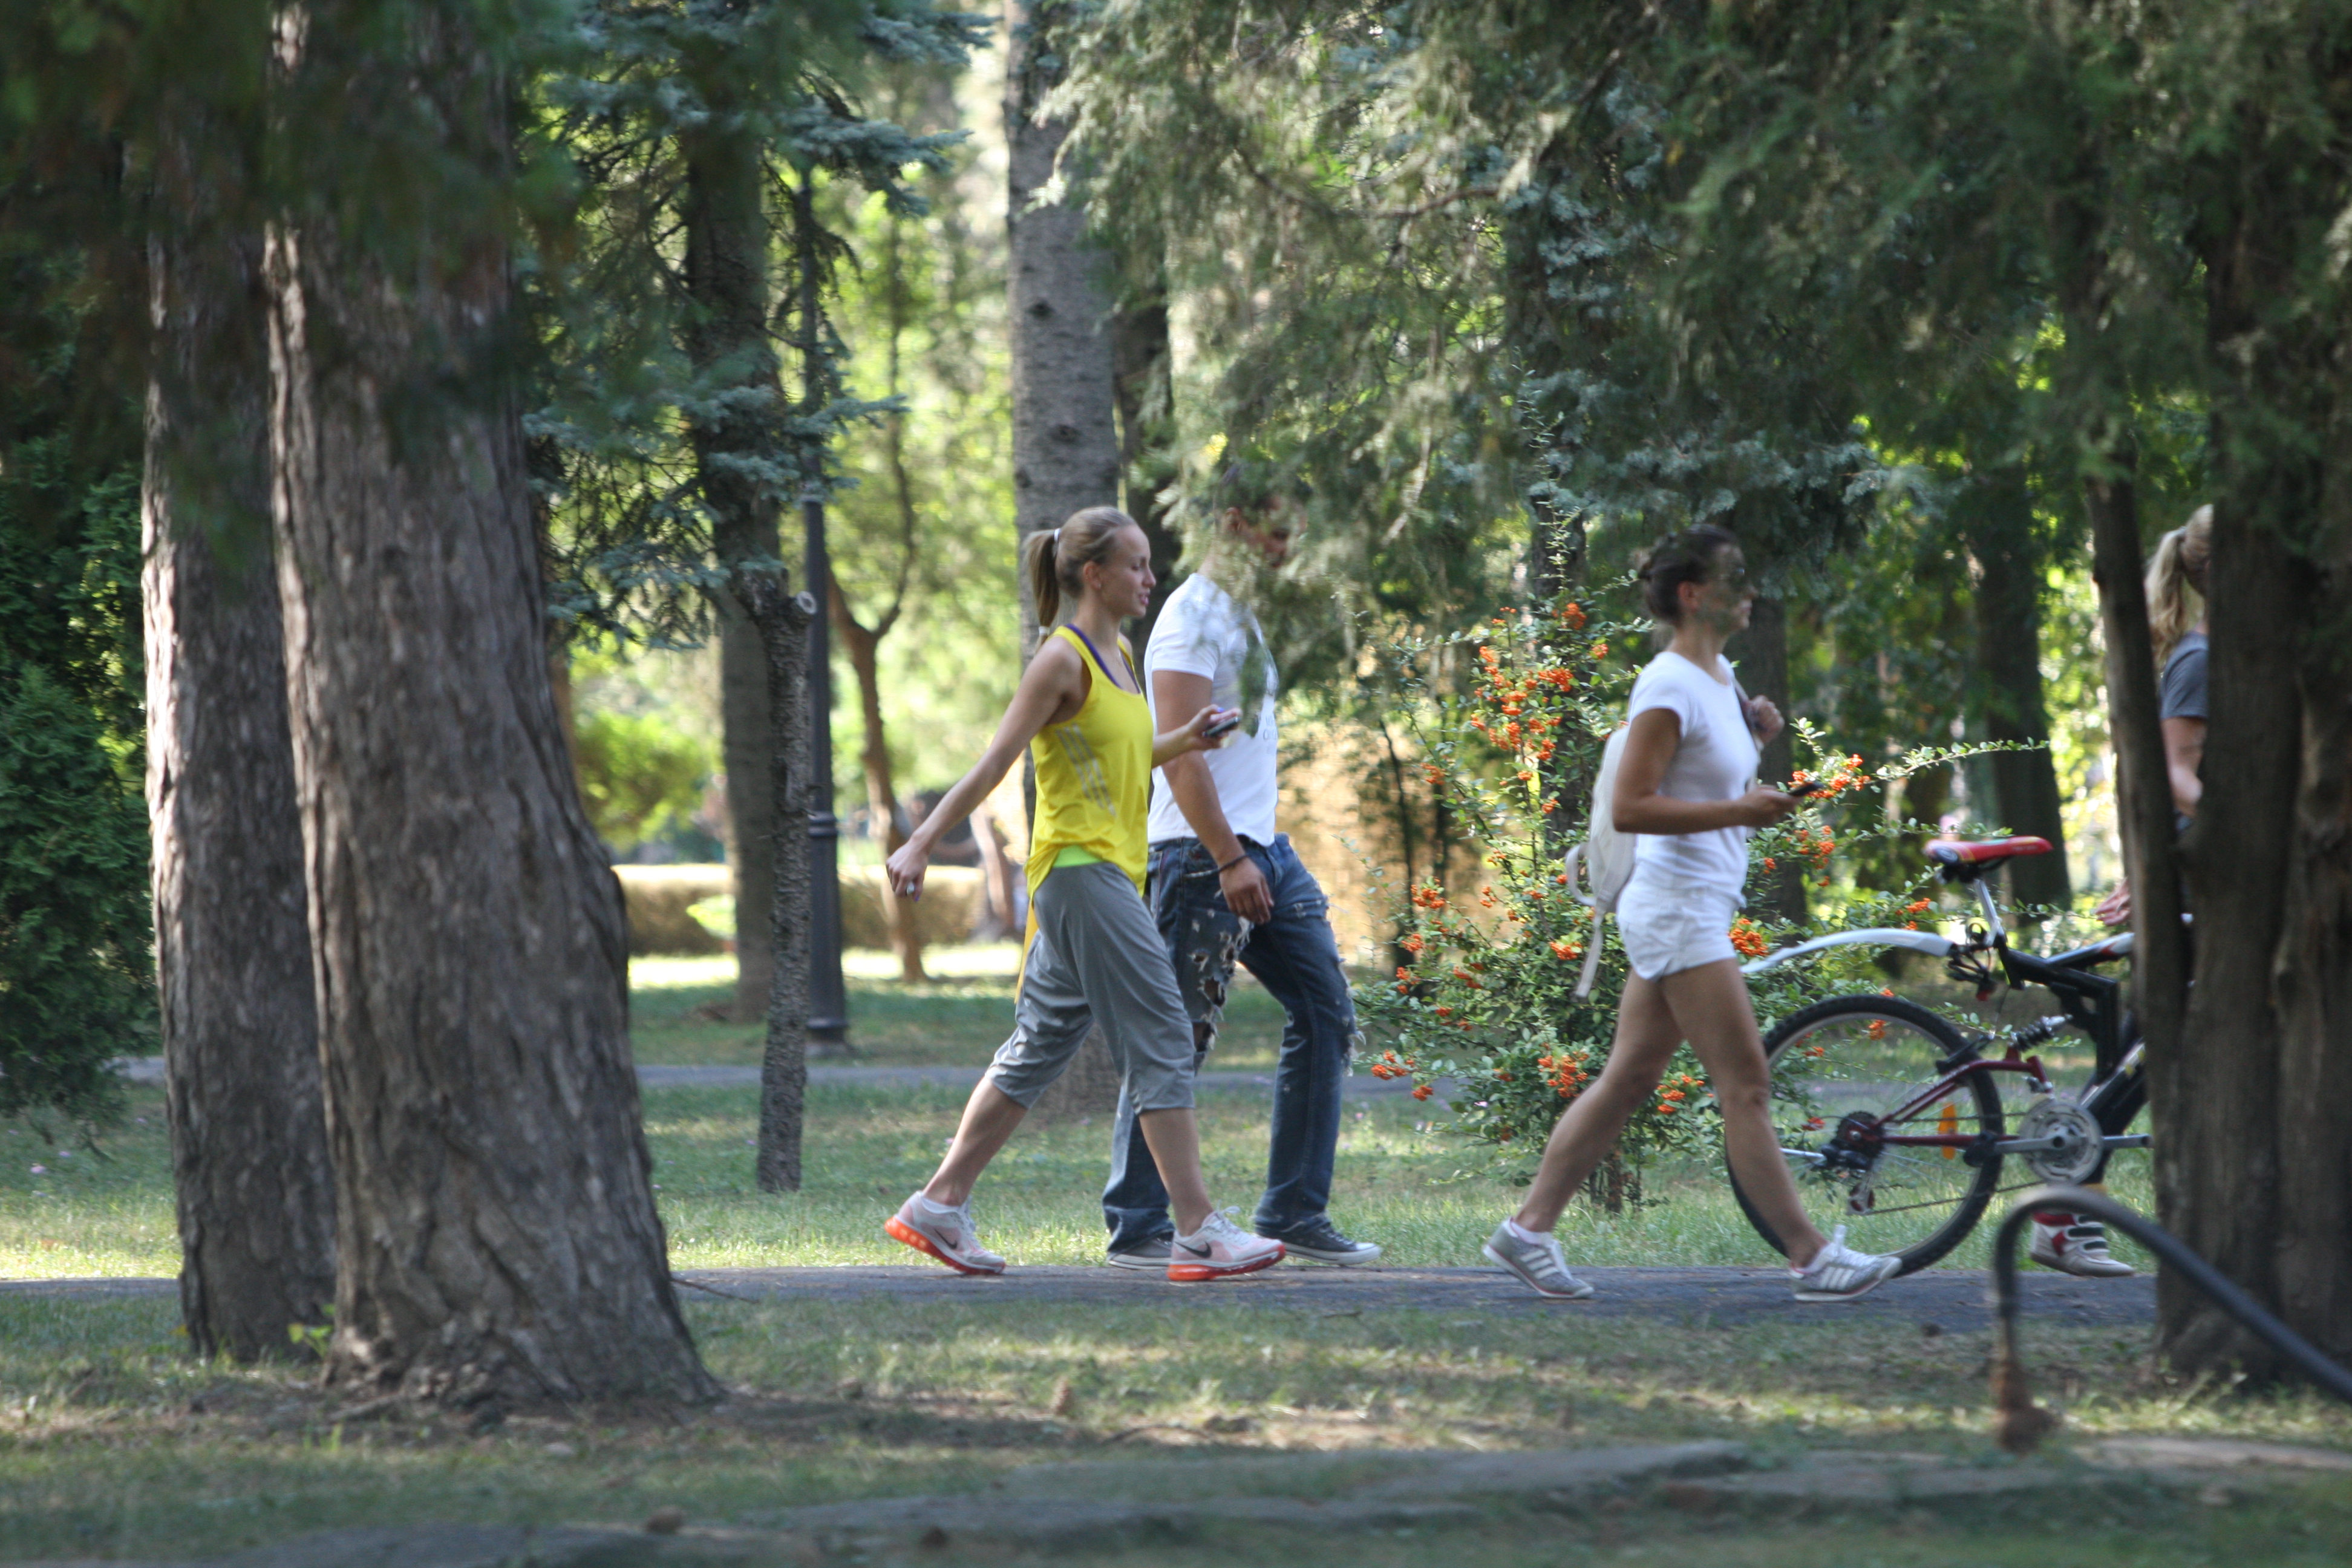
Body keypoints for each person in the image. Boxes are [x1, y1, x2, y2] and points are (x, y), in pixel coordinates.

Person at [1480, 524, 1905, 1304]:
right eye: (1735, 579)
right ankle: (1812, 1257)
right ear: (1692, 594)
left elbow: (1701, 768)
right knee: (1745, 1084)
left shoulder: (1719, 676)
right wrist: (1741, 807)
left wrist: (1753, 730)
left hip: (1694, 903)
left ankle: (1527, 1230)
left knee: (1629, 1077)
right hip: (1676, 908)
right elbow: (1633, 804)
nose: (1749, 593)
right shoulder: (1668, 684)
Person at [882, 506, 1285, 1283]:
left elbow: (1126, 750)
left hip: (1099, 872)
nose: (1150, 577)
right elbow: (996, 760)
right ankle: (1197, 1230)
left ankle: (938, 1204)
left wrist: (1186, 739)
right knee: (1165, 1031)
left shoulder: (1121, 655)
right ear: (1093, 574)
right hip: (1078, 871)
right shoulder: (1060, 660)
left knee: (1037, 1048)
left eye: (1148, 564)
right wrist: (922, 839)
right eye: (1135, 565)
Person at [1099, 468, 1381, 1271]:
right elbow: (1180, 761)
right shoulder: (1189, 620)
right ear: (1233, 524)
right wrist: (1225, 858)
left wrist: (1248, 851)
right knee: (1174, 1037)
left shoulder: (1242, 618)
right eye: (1279, 533)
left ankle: (1295, 1208)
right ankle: (1139, 1224)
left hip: (1262, 846)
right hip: (1199, 853)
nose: (1290, 551)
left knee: (1326, 1012)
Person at [2054, 506, 2214, 1278]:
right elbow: (2177, 773)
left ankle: (2067, 1208)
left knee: (2146, 1047)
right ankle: (2063, 1209)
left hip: (2195, 873)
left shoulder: (2222, 654)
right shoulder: (2202, 659)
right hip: (2206, 879)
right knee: (2147, 1050)